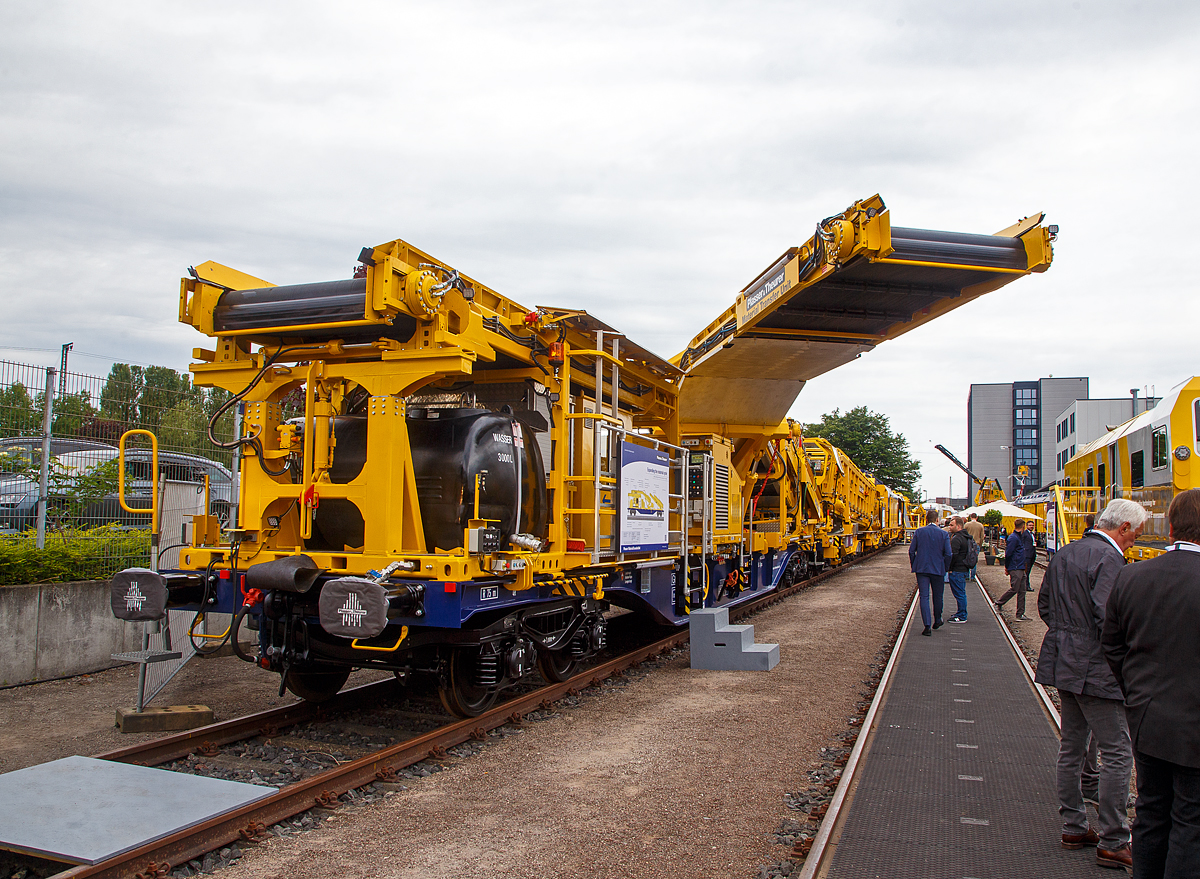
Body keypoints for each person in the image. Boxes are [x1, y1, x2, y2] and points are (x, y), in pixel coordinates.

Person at [1036, 498, 1148, 870]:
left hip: (1064, 659)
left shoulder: (1066, 553)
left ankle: (1073, 826)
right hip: (1096, 667)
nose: (1133, 542)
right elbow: (1110, 617)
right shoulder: (1110, 559)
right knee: (1117, 752)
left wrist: (1067, 637)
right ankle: (1114, 839)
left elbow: (1046, 606)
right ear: (1124, 529)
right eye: (1135, 536)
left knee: (1072, 746)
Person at [1103, 489, 1200, 877]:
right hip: (1194, 729)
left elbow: (1111, 644)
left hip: (1147, 718)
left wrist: (1136, 692)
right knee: (1191, 822)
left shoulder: (1132, 575)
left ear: (1171, 526)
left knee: (1151, 811)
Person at [909, 508, 951, 636]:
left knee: (924, 596)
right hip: (938, 569)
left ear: (926, 520)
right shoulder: (943, 534)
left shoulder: (919, 532)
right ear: (937, 520)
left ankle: (927, 626)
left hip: (921, 568)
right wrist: (945, 567)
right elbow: (948, 554)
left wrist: (915, 563)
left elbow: (911, 551)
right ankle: (937, 620)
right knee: (938, 596)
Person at [996, 519, 1031, 619]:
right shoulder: (1014, 538)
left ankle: (1020, 613)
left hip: (1020, 566)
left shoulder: (1017, 537)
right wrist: (1007, 567)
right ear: (1023, 526)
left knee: (1022, 590)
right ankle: (999, 602)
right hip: (1015, 567)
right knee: (1015, 588)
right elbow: (1009, 553)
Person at [945, 516, 971, 622]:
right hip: (963, 568)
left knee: (959, 593)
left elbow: (953, 555)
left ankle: (961, 615)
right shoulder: (966, 537)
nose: (949, 527)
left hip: (957, 570)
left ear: (958, 526)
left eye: (952, 525)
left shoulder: (957, 538)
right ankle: (961, 612)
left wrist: (949, 568)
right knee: (961, 592)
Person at [963, 513, 985, 583]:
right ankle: (972, 577)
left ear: (970, 517)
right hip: (976, 544)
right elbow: (982, 537)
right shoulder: (980, 525)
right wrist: (980, 545)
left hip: (967, 544)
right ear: (977, 517)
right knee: (974, 560)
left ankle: (966, 576)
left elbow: (963, 534)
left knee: (967, 559)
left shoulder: (966, 525)